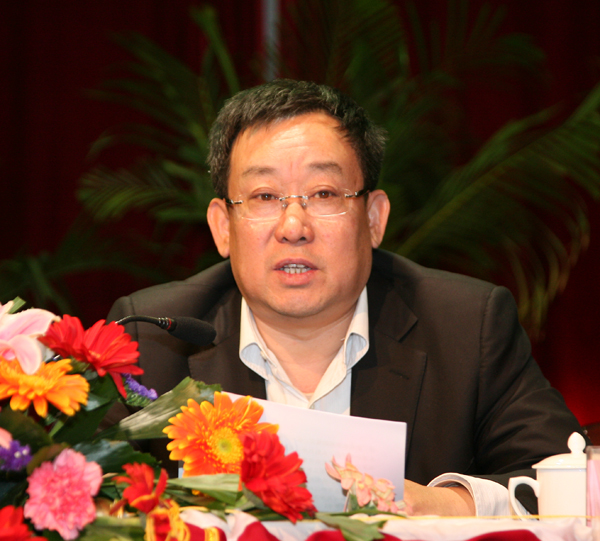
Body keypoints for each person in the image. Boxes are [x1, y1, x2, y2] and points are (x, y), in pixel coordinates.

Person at [108, 79, 584, 517]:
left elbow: (571, 479)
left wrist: (442, 504)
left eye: (323, 193)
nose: (293, 227)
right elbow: (94, 493)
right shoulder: (150, 337)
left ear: (374, 219)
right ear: (222, 227)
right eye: (265, 196)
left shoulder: (466, 327)